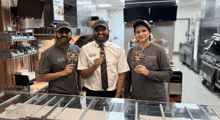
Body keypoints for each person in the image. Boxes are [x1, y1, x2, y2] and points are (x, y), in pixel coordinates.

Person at [77, 20, 130, 98]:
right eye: (97, 30)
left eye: (103, 29)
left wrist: (117, 95)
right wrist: (94, 67)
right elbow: (83, 75)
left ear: (108, 31)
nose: (100, 32)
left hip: (112, 92)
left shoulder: (117, 49)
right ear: (93, 32)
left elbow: (121, 74)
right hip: (92, 93)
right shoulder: (85, 49)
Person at [124, 19, 173, 102]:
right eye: (138, 32)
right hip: (137, 97)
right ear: (135, 35)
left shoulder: (159, 50)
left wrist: (148, 72)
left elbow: (168, 73)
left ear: (150, 32)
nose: (141, 34)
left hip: (156, 98)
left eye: (144, 31)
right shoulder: (131, 51)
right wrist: (126, 93)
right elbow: (128, 74)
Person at [36, 22, 81, 95]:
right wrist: (62, 73)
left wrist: (80, 89)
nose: (64, 34)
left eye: (67, 32)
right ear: (55, 34)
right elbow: (40, 77)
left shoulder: (76, 49)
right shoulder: (47, 53)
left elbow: (78, 72)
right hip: (57, 95)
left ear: (71, 34)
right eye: (61, 32)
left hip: (74, 94)